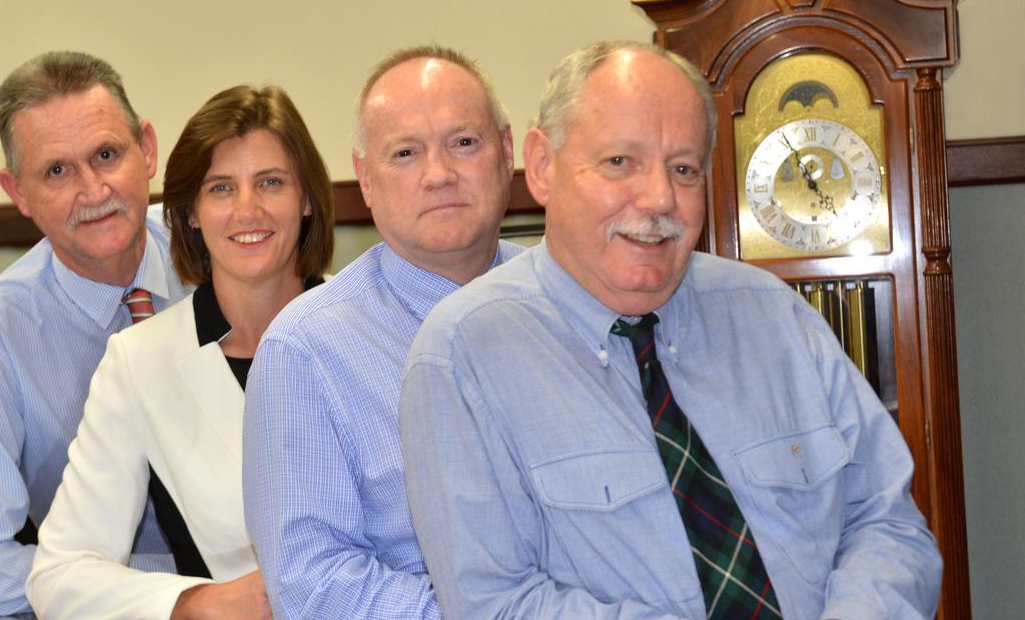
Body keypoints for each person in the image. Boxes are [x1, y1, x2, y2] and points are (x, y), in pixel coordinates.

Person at [399, 41, 943, 619]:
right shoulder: (462, 355)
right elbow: (495, 605)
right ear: (541, 167)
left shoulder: (775, 318)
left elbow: (887, 522)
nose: (660, 198)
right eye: (619, 162)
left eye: (683, 169)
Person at [27, 84, 334, 620]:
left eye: (271, 182)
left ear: (306, 199)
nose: (248, 209)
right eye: (220, 188)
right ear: (189, 213)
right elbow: (59, 575)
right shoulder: (140, 362)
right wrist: (197, 604)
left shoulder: (372, 328)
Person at [242, 45, 522, 619]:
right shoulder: (306, 349)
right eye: (405, 153)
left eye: (464, 142)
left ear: (508, 152)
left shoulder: (570, 302)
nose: (439, 174)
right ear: (365, 180)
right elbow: (313, 584)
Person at [0, 51, 190, 617]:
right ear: (17, 192)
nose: (94, 190)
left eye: (106, 154)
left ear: (146, 150)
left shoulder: (222, 249)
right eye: (57, 171)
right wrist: (177, 594)